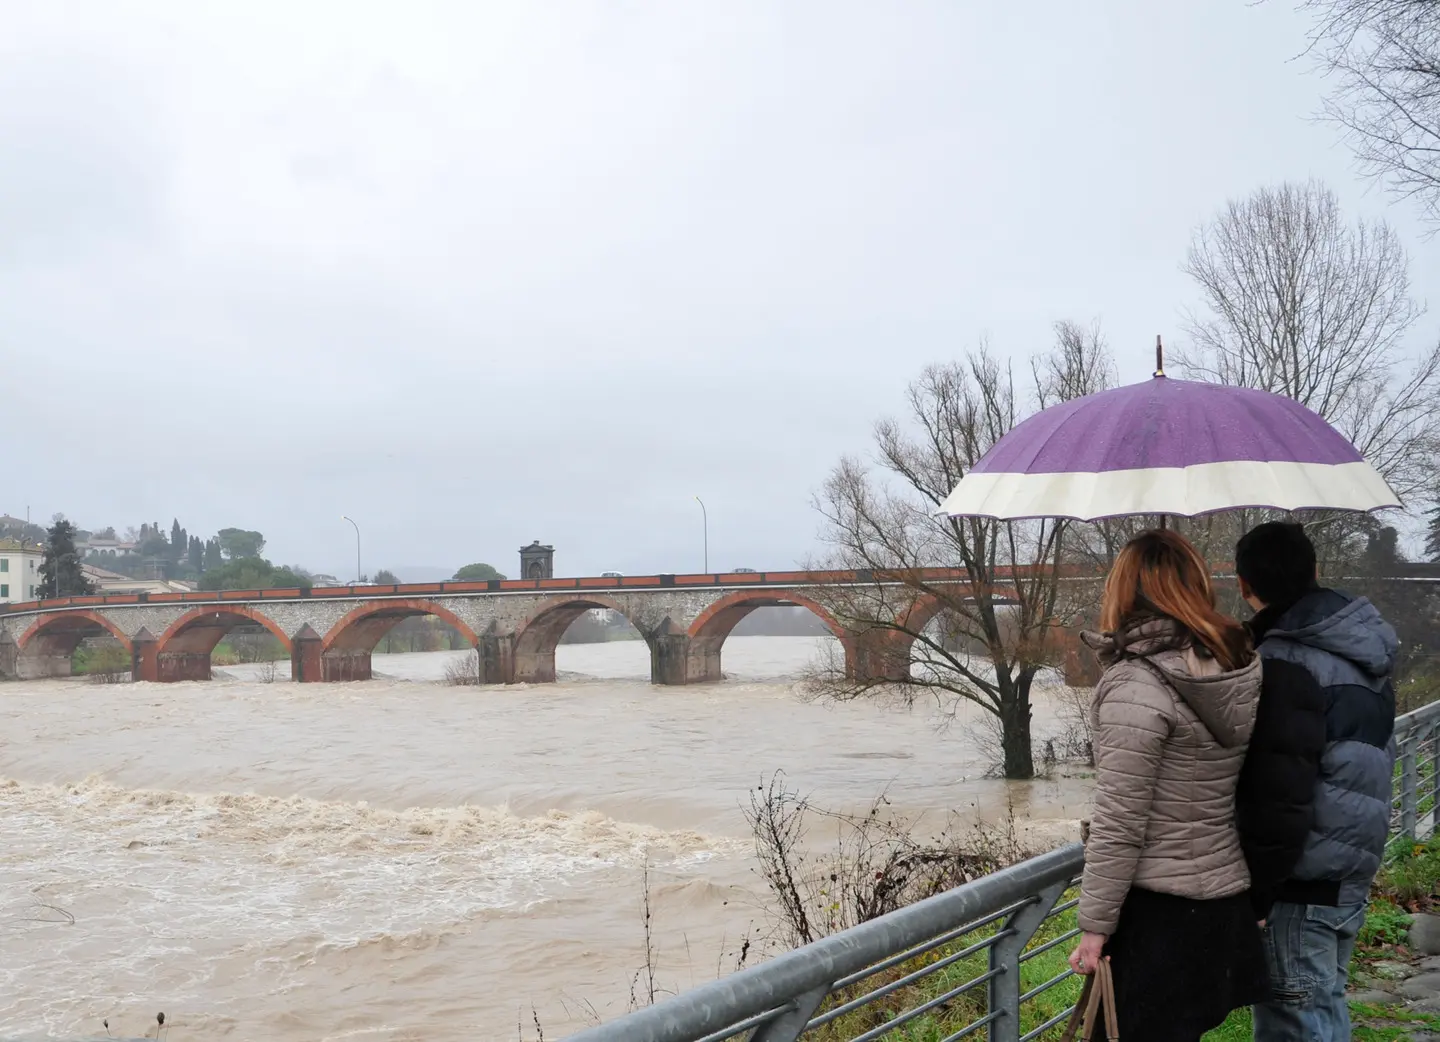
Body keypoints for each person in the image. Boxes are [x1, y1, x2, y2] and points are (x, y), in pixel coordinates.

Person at [1068, 529, 1266, 1041]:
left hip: (1161, 917)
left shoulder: (1137, 684)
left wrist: (1094, 928)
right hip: (1221, 903)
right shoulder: (1233, 664)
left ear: (1123, 591)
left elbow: (1120, 820)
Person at [1237, 522, 1397, 1042]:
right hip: (1351, 861)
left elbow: (1280, 789)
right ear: (1316, 572)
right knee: (1323, 1007)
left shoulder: (1286, 662)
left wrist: (1258, 894)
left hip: (1302, 876)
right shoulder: (1362, 651)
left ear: (1244, 586)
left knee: (1297, 1021)